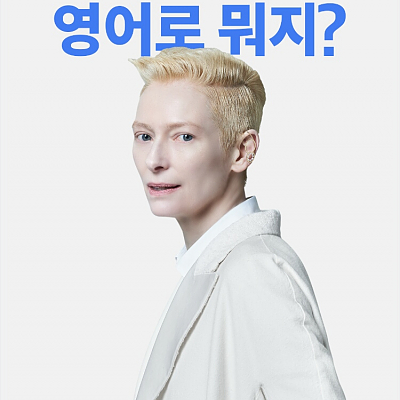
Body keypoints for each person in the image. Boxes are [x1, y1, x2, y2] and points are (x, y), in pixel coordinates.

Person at [129, 47, 346, 400]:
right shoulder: (216, 266)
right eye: (144, 136)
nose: (154, 160)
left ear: (243, 151)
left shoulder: (257, 270)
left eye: (184, 136)